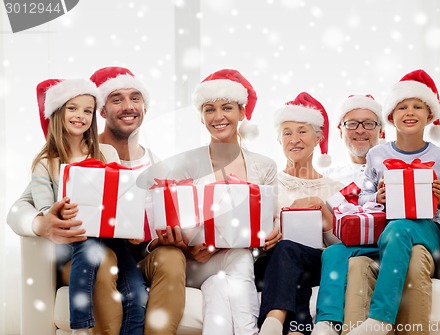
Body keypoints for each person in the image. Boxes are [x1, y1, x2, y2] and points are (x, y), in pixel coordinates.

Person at [8, 66, 187, 335]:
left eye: (135, 98)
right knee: (103, 259)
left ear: (145, 107)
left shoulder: (154, 164)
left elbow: (160, 218)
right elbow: (21, 207)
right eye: (117, 99)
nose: (128, 106)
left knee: (171, 256)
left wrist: (159, 237)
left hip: (131, 252)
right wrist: (41, 223)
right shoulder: (65, 159)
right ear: (102, 111)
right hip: (89, 250)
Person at [312, 69, 440, 335]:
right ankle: (327, 322)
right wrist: (377, 198)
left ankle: (381, 318)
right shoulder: (377, 155)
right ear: (391, 117)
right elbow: (364, 198)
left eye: (418, 106)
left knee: (400, 227)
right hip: (385, 233)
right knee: (335, 252)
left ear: (430, 116)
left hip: (425, 231)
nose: (410, 112)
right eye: (402, 106)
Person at [140, 68, 280, 335]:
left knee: (219, 286)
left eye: (226, 108)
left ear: (241, 112)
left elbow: (270, 219)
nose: (218, 117)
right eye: (209, 109)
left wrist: (274, 231)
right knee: (235, 260)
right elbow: (166, 218)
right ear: (201, 116)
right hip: (195, 261)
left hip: (242, 259)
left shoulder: (264, 166)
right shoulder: (184, 164)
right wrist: (186, 246)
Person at [30, 78, 147, 334]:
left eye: (87, 111)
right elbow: (45, 209)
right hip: (78, 237)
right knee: (87, 248)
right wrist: (56, 212)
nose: (80, 116)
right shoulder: (45, 163)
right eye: (72, 108)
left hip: (113, 237)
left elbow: (121, 198)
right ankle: (81, 326)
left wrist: (133, 223)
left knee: (136, 292)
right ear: (57, 113)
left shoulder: (105, 154)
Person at [256, 92, 343, 335]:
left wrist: (326, 220)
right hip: (273, 261)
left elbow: (340, 246)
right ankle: (298, 329)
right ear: (279, 140)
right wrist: (266, 236)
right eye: (287, 133)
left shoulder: (334, 188)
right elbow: (255, 231)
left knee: (291, 251)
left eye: (302, 131)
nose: (295, 139)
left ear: (318, 138)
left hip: (319, 263)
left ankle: (272, 323)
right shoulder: (267, 183)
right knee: (286, 250)